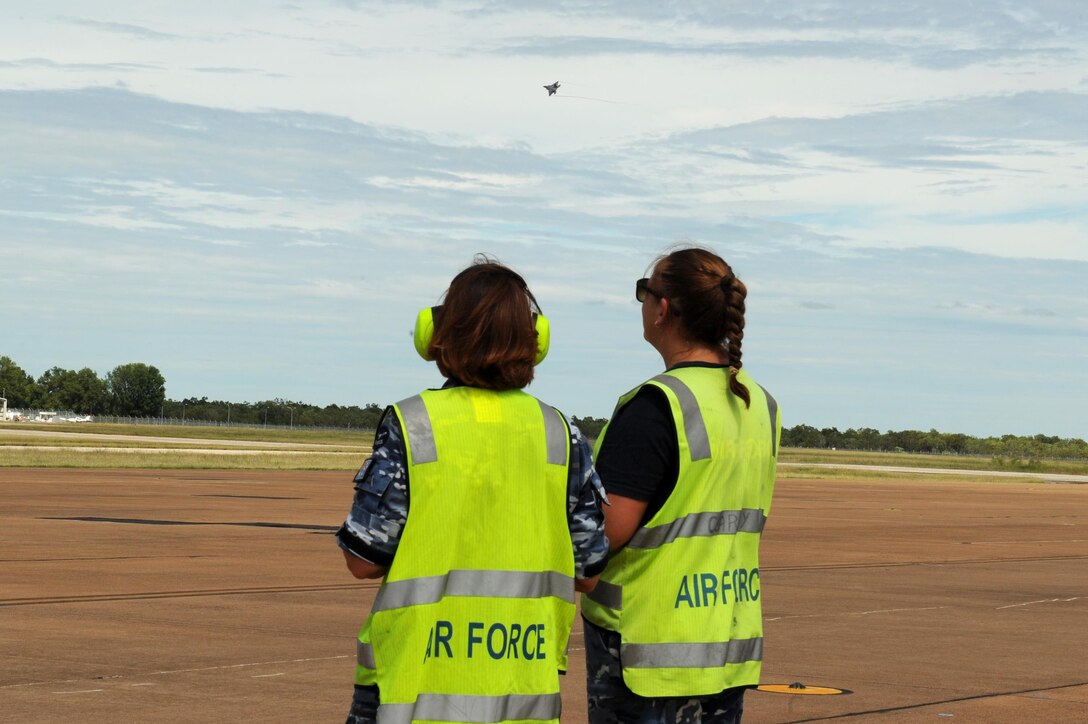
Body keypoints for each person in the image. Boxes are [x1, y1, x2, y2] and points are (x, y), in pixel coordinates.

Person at [336, 256, 609, 724]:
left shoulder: (414, 425)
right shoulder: (561, 435)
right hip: (522, 692)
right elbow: (587, 574)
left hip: (411, 689)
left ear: (436, 335)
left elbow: (363, 560)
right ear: (534, 341)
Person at [581, 247, 781, 723]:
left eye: (643, 293)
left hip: (646, 660)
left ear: (663, 308)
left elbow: (603, 535)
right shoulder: (760, 405)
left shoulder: (656, 407)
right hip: (724, 650)